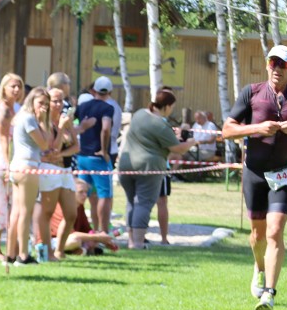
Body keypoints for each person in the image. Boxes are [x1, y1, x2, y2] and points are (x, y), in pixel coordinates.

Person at [222, 44, 287, 310]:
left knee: (275, 231)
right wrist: (257, 128)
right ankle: (259, 268)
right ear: (267, 64)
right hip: (254, 173)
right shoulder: (252, 92)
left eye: (283, 64)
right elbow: (227, 130)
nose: (277, 68)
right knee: (258, 236)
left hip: (284, 172)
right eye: (273, 62)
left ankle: (269, 293)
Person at [117, 89, 199, 250]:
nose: (171, 110)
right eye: (172, 107)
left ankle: (131, 241)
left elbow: (155, 138)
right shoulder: (160, 124)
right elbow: (178, 148)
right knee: (143, 203)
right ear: (166, 106)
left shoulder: (139, 114)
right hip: (148, 168)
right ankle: (138, 243)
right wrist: (192, 142)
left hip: (126, 164)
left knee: (131, 203)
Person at [8, 88, 56, 265]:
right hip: (27, 167)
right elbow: (44, 144)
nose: (44, 107)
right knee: (25, 212)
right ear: (32, 101)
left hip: (17, 167)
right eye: (40, 103)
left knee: (16, 212)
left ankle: (10, 254)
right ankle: (23, 255)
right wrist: (44, 121)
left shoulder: (21, 116)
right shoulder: (29, 118)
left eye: (46, 104)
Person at [37, 86, 79, 260]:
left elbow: (76, 147)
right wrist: (60, 129)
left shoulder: (66, 120)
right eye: (55, 101)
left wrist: (61, 155)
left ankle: (59, 250)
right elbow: (53, 147)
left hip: (65, 169)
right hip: (49, 170)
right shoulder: (44, 122)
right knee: (47, 212)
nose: (59, 104)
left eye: (62, 100)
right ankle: (47, 251)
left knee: (71, 213)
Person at [0, 72, 22, 261]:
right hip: (2, 163)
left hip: (6, 161)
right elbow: (3, 140)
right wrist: (8, 166)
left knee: (5, 205)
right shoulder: (4, 111)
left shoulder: (13, 108)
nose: (16, 89)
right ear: (4, 88)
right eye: (12, 86)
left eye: (19, 86)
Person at [75, 76, 117, 233]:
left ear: (94, 90)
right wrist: (104, 151)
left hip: (82, 156)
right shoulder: (107, 108)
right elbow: (105, 128)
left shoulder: (83, 106)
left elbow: (73, 124)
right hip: (97, 158)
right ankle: (104, 232)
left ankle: (78, 227)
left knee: (83, 194)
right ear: (110, 92)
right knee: (104, 196)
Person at [52, 180, 120, 256]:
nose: (85, 195)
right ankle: (72, 250)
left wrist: (102, 239)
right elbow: (70, 234)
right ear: (70, 193)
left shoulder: (80, 206)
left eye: (86, 192)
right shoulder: (61, 207)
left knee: (91, 239)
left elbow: (87, 231)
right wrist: (98, 237)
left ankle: (79, 250)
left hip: (71, 238)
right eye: (81, 192)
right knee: (75, 240)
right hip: (54, 240)